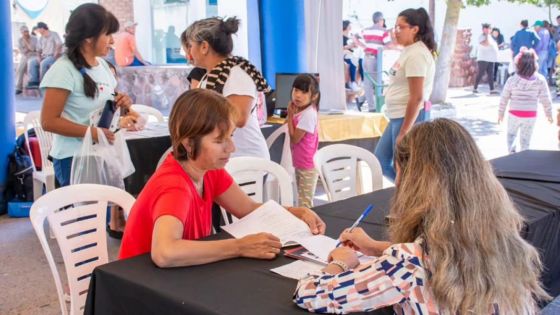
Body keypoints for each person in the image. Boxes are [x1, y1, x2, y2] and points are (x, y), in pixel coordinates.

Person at [294, 118, 550, 314]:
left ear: (413, 183)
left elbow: (309, 295)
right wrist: (376, 248)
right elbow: (447, 252)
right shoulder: (502, 239)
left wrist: (339, 262)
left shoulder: (408, 264)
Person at [119, 88, 326, 266]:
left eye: (231, 136)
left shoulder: (209, 170)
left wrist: (295, 212)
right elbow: (165, 252)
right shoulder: (174, 184)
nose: (232, 148)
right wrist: (239, 246)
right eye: (220, 141)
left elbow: (248, 209)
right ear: (188, 144)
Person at [40, 3, 132, 188]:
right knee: (84, 216)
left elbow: (109, 110)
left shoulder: (103, 66)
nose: (112, 41)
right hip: (73, 159)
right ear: (89, 37)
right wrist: (92, 133)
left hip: (103, 154)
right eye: (108, 34)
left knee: (102, 215)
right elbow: (48, 121)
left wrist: (123, 104)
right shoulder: (63, 70)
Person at [181, 17, 271, 160]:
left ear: (204, 47)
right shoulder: (209, 75)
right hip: (223, 158)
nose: (189, 53)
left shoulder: (237, 74)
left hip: (245, 161)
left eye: (191, 45)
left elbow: (239, 118)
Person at [373, 8, 436, 181]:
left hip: (407, 117)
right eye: (395, 27)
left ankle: (411, 199)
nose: (396, 31)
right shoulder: (409, 50)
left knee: (405, 169)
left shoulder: (417, 54)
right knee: (381, 161)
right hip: (397, 115)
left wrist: (404, 131)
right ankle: (409, 196)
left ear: (415, 29)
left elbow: (417, 97)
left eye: (401, 27)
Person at [498, 49, 553, 153]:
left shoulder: (512, 80)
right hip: (530, 114)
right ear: (535, 64)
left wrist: (501, 113)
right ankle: (524, 157)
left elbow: (504, 97)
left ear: (518, 64)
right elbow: (546, 98)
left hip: (514, 113)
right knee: (525, 140)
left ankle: (512, 154)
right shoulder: (540, 80)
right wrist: (548, 114)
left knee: (511, 135)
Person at [286, 74, 320, 208]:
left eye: (304, 92)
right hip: (301, 163)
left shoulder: (308, 114)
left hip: (307, 166)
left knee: (305, 204)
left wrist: (289, 116)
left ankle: (310, 228)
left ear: (314, 96)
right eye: (296, 90)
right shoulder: (302, 111)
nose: (298, 95)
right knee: (302, 200)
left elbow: (294, 139)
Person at [361, 11, 391, 112]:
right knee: (376, 82)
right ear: (381, 20)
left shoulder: (366, 30)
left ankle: (361, 100)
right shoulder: (384, 31)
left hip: (365, 57)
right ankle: (371, 107)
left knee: (369, 83)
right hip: (374, 59)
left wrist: (365, 47)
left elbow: (355, 39)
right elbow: (389, 45)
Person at [27, 22, 63, 87]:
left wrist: (55, 54)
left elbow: (59, 44)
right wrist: (38, 57)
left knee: (43, 63)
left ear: (42, 28)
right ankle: (34, 81)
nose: (37, 31)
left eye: (38, 29)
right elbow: (38, 49)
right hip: (43, 56)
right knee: (31, 62)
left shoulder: (54, 34)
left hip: (52, 56)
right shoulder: (41, 38)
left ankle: (43, 82)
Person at [473, 23, 499, 94]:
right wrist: (487, 35)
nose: (487, 30)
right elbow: (486, 44)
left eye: (488, 29)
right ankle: (475, 88)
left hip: (490, 59)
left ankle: (492, 90)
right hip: (483, 58)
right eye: (485, 29)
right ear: (483, 30)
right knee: (480, 73)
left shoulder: (491, 37)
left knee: (491, 74)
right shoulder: (481, 36)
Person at [15, 25, 38, 95]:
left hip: (34, 55)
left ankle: (32, 83)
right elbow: (22, 51)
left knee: (31, 62)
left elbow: (33, 49)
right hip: (25, 56)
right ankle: (19, 88)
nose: (26, 33)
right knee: (20, 68)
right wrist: (28, 49)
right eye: (24, 32)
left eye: (27, 31)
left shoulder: (34, 38)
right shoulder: (19, 40)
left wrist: (26, 43)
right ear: (21, 33)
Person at [342, 20, 364, 92]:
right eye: (350, 25)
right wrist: (350, 46)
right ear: (346, 26)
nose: (351, 27)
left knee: (361, 59)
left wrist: (354, 46)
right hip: (344, 55)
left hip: (351, 54)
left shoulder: (350, 36)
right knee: (353, 60)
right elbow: (341, 47)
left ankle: (363, 82)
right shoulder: (341, 36)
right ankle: (352, 82)